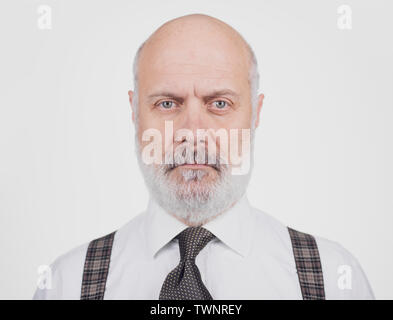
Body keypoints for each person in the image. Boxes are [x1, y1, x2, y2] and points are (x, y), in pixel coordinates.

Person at [33, 13, 374, 300]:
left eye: (219, 104)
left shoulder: (333, 279)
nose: (193, 131)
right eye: (167, 103)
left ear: (255, 113)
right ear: (135, 112)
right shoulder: (67, 283)